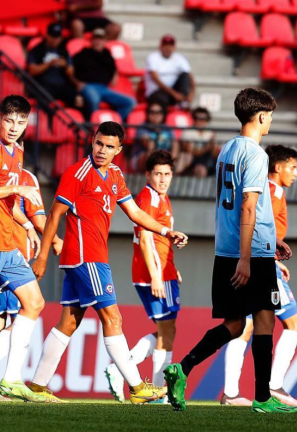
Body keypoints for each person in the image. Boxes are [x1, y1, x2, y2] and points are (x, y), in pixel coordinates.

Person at [162, 88, 297, 414]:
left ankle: (182, 368)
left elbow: (245, 204)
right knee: (265, 320)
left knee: (236, 324)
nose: (270, 122)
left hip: (225, 249)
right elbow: (248, 207)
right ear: (262, 116)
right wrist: (247, 257)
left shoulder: (227, 149)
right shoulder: (257, 154)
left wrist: (272, 236)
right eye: (270, 116)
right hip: (249, 253)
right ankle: (263, 398)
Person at [27, 121, 189, 404]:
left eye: (109, 146)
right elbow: (54, 215)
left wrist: (166, 231)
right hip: (84, 257)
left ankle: (38, 387)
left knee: (69, 321)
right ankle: (138, 388)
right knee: (113, 318)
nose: (102, 150)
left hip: (92, 257)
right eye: (99, 143)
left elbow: (135, 213)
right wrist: (42, 256)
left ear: (119, 150)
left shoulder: (114, 174)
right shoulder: (78, 174)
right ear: (92, 141)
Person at [222, 145, 297, 408]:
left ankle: (232, 393)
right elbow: (255, 220)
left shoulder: (269, 189)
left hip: (261, 262)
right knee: (292, 325)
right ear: (278, 167)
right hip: (259, 265)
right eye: (292, 167)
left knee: (244, 327)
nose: (296, 173)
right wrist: (272, 251)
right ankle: (273, 386)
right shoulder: (273, 190)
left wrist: (275, 261)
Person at [0, 168, 63, 401]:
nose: (14, 128)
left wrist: (30, 228)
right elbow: (39, 219)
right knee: (15, 315)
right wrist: (54, 239)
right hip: (9, 255)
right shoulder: (16, 175)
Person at [105, 150, 182, 404]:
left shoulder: (162, 197)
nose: (163, 179)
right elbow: (147, 238)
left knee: (166, 331)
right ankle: (152, 387)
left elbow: (159, 240)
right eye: (158, 174)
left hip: (162, 270)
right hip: (154, 274)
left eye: (167, 174)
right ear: (148, 174)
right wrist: (157, 276)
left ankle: (128, 371)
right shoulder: (148, 197)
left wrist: (171, 268)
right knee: (166, 331)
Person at [73, 29, 135, 121]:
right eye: (95, 39)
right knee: (94, 100)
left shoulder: (108, 55)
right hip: (88, 86)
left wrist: (115, 75)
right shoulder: (83, 53)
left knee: (130, 102)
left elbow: (114, 71)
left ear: (105, 41)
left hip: (104, 88)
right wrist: (76, 83)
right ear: (91, 41)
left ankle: (113, 125)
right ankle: (93, 127)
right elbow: (70, 70)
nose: (98, 41)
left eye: (100, 39)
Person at [27, 23, 81, 109]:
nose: (55, 40)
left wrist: (65, 65)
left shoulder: (63, 51)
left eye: (57, 37)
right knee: (43, 100)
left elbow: (70, 72)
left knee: (78, 99)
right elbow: (32, 70)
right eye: (52, 36)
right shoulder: (37, 50)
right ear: (47, 36)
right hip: (44, 85)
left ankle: (77, 121)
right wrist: (49, 64)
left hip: (61, 85)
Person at [145, 34, 195, 109]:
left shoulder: (180, 58)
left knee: (184, 75)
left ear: (174, 47)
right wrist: (174, 94)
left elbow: (190, 77)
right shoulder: (153, 57)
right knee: (161, 100)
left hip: (173, 92)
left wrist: (192, 93)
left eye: (171, 45)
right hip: (157, 92)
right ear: (160, 47)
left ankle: (184, 104)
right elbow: (155, 79)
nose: (168, 48)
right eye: (165, 45)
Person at [131, 102, 178, 172]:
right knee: (150, 150)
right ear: (148, 114)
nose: (156, 115)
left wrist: (171, 158)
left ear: (163, 114)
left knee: (179, 149)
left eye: (159, 112)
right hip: (142, 160)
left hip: (164, 159)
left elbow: (175, 143)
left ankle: (171, 172)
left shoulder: (167, 128)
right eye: (152, 112)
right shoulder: (143, 127)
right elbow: (146, 141)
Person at [178, 107, 218, 178]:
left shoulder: (210, 132)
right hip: (192, 160)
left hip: (206, 160)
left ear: (207, 120)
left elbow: (214, 153)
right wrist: (205, 148)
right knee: (186, 157)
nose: (199, 121)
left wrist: (212, 147)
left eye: (203, 119)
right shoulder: (187, 132)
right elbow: (189, 151)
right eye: (197, 118)